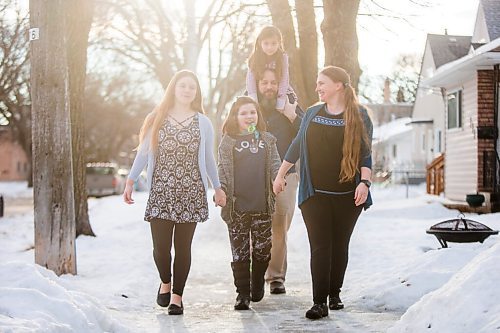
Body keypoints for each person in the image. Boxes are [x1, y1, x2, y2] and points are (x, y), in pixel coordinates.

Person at [273, 66, 373, 320]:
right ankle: (319, 302)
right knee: (320, 246)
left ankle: (334, 293)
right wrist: (280, 173)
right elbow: (297, 145)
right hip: (314, 193)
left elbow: (365, 153)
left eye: (322, 83)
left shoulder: (360, 115)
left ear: (338, 85)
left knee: (340, 246)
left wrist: (365, 183)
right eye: (317, 83)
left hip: (349, 196)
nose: (318, 88)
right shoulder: (311, 113)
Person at [123, 70, 226, 315]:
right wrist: (130, 181)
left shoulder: (203, 122)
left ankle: (177, 297)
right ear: (173, 88)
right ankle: (165, 282)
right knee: (160, 247)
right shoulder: (157, 117)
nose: (188, 90)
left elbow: (209, 158)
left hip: (191, 192)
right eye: (183, 85)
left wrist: (218, 186)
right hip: (161, 191)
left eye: (192, 86)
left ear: (196, 92)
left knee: (183, 248)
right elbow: (144, 152)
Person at [217, 96, 281, 310]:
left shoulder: (267, 140)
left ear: (258, 115)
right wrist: (222, 190)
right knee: (239, 253)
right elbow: (222, 170)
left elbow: (275, 164)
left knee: (263, 249)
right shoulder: (228, 142)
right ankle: (242, 294)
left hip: (262, 206)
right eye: (243, 113)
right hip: (237, 207)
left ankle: (257, 281)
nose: (248, 116)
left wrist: (277, 178)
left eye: (252, 112)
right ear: (235, 117)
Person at [256, 68, 303, 294]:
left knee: (279, 226)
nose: (269, 86)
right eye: (264, 82)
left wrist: (291, 115)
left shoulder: (289, 101)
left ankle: (275, 277)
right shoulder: (250, 103)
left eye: (273, 82)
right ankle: (254, 274)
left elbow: (306, 131)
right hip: (254, 175)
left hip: (286, 174)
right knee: (252, 225)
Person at [246, 25, 296, 112]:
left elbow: (284, 79)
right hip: (259, 90)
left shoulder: (282, 57)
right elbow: (250, 81)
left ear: (279, 43)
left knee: (292, 108)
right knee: (244, 106)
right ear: (260, 43)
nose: (270, 47)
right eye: (266, 43)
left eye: (273, 43)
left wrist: (280, 104)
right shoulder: (255, 58)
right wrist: (254, 102)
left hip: (280, 90)